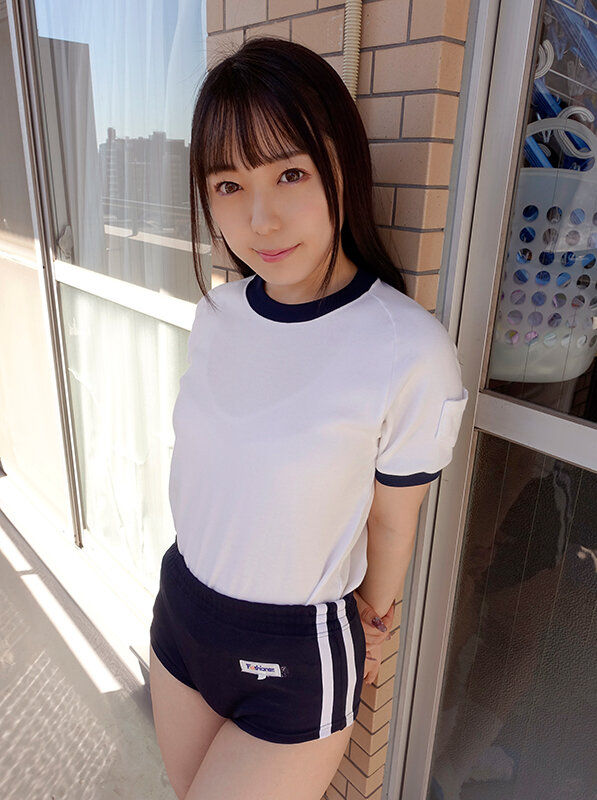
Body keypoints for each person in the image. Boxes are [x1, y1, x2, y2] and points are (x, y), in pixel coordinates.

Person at [149, 36, 468, 800]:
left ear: (340, 168)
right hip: (182, 616)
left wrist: (374, 619)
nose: (260, 218)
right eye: (229, 185)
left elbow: (392, 520)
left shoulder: (407, 348)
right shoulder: (218, 314)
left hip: (292, 655)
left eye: (289, 173)